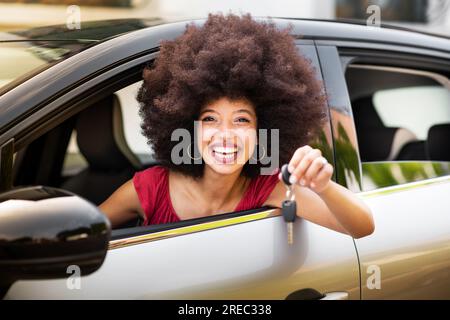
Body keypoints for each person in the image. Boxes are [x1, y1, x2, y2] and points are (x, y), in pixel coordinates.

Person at [99, 13, 374, 238]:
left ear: (262, 129)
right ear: (188, 126)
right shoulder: (150, 187)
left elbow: (362, 228)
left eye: (241, 119)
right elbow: (75, 237)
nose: (226, 135)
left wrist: (323, 186)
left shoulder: (271, 186)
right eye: (210, 119)